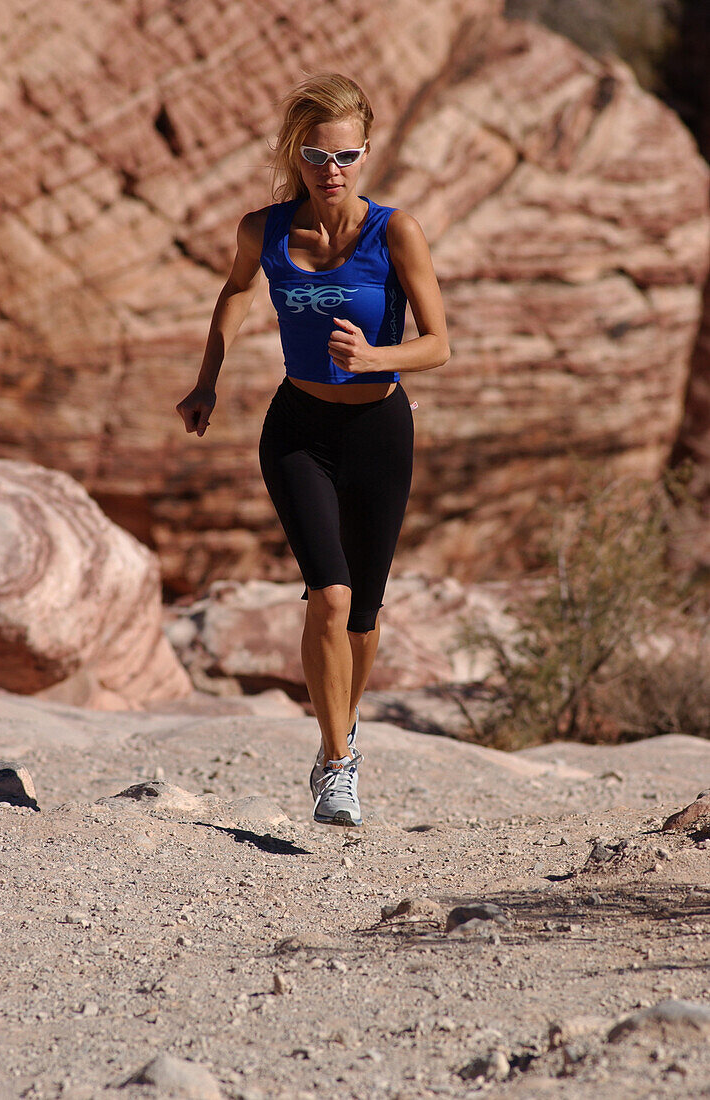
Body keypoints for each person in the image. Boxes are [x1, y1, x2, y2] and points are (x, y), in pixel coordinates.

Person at [176, 72, 449, 827]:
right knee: (327, 596)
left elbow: (440, 344)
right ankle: (337, 764)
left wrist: (378, 358)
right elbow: (235, 291)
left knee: (363, 618)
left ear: (366, 153)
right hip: (298, 429)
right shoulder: (263, 230)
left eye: (346, 156)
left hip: (380, 433)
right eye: (316, 156)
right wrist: (208, 380)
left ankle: (340, 727)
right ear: (295, 154)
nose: (332, 171)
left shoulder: (397, 233)